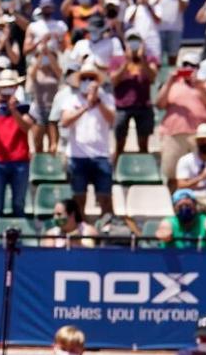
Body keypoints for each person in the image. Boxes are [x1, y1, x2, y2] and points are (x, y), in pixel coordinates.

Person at [60, 63, 115, 217]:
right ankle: (81, 231)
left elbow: (111, 120)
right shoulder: (71, 99)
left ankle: (105, 229)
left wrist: (97, 102)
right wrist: (86, 106)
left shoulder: (107, 98)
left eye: (91, 78)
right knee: (79, 198)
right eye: (84, 78)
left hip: (101, 156)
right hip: (78, 157)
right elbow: (65, 122)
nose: (87, 81)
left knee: (105, 197)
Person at [155, 53, 206, 186]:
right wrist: (169, 81)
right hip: (173, 134)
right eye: (186, 65)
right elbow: (160, 104)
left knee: (197, 172)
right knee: (172, 173)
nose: (189, 68)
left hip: (200, 136)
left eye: (193, 66)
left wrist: (199, 86)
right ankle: (173, 203)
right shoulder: (172, 84)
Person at [0, 70, 32, 228]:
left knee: (19, 204)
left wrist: (14, 110)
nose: (7, 91)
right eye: (4, 88)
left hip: (19, 161)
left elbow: (26, 127)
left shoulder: (24, 106)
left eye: (10, 87)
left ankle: (20, 237)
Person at [111, 32, 157, 157]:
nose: (134, 44)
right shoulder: (117, 60)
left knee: (143, 145)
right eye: (131, 41)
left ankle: (143, 171)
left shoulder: (149, 59)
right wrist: (127, 61)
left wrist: (142, 60)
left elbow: (152, 77)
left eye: (136, 41)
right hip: (122, 107)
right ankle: (115, 172)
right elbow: (114, 80)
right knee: (119, 144)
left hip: (143, 106)